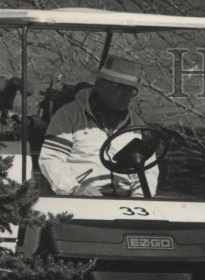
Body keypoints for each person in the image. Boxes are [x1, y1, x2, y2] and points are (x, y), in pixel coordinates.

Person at [38, 55, 159, 197]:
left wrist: (140, 197)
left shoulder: (136, 124)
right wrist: (74, 189)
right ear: (100, 85)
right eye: (119, 88)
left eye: (130, 90)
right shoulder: (69, 115)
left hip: (126, 200)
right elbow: (52, 158)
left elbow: (147, 167)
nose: (125, 95)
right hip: (81, 198)